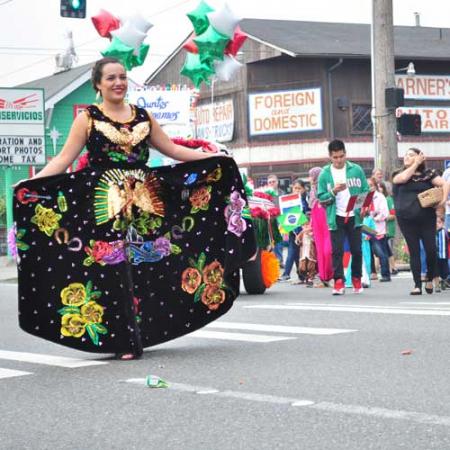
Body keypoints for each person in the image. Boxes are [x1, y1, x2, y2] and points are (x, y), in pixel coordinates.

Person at [12, 57, 256, 360]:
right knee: (112, 270)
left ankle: (142, 333)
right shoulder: (87, 118)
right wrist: (31, 183)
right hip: (104, 204)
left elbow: (172, 150)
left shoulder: (143, 116)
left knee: (148, 267)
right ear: (98, 85)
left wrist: (215, 157)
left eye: (122, 77)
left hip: (146, 204)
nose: (118, 83)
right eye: (111, 78)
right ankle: (123, 340)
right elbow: (63, 160)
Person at [392, 148, 449, 295]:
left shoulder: (428, 175)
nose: (407, 157)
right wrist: (414, 164)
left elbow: (445, 184)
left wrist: (442, 201)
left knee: (430, 249)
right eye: (406, 155)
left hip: (426, 217)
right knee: (414, 251)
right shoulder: (398, 174)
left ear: (420, 158)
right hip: (406, 219)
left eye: (411, 155)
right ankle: (417, 284)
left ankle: (430, 278)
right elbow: (403, 179)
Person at [317, 139, 369, 295]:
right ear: (330, 157)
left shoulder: (356, 169)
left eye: (341, 156)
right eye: (335, 157)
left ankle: (356, 279)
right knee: (337, 251)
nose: (339, 160)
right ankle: (338, 282)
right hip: (336, 217)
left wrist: (363, 207)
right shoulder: (324, 174)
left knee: (356, 250)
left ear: (345, 154)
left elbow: (364, 190)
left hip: (354, 215)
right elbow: (321, 199)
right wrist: (333, 191)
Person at [278, 179, 307, 282]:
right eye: (295, 188)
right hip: (292, 229)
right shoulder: (289, 201)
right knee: (293, 251)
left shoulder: (305, 200)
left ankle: (289, 274)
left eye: (299, 188)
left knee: (294, 252)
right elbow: (285, 212)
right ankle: (299, 275)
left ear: (304, 189)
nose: (297, 190)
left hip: (302, 230)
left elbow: (305, 214)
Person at [308, 167, 333, 287]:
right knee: (320, 251)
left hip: (327, 220)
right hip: (317, 222)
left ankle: (332, 275)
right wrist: (310, 226)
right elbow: (312, 208)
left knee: (328, 250)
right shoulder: (312, 191)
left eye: (312, 175)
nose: (310, 178)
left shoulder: (327, 187)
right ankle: (323, 277)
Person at [367, 177, 391, 282]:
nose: (369, 188)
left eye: (371, 185)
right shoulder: (364, 197)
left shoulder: (380, 197)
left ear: (375, 186)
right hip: (366, 228)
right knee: (368, 251)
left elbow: (384, 213)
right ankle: (371, 272)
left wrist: (374, 218)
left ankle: (385, 274)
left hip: (378, 228)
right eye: (367, 186)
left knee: (381, 252)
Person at [378, 181, 398, 275]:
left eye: (380, 187)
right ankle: (393, 268)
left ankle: (389, 268)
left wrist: (382, 218)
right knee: (386, 249)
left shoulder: (388, 199)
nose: (379, 189)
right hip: (380, 229)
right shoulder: (376, 199)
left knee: (385, 248)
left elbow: (393, 214)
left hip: (387, 228)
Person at [267, 174, 285, 268]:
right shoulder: (265, 195)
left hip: (280, 219)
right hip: (270, 219)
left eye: (273, 181)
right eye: (270, 182)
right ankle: (274, 261)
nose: (272, 184)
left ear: (277, 182)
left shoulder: (282, 193)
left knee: (279, 241)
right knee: (271, 241)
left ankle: (280, 260)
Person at [434, 216, 449, 292]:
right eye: (436, 222)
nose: (437, 224)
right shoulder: (432, 232)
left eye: (439, 222)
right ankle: (437, 285)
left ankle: (443, 280)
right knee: (436, 270)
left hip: (444, 255)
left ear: (443, 223)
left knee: (445, 271)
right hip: (436, 256)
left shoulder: (445, 232)